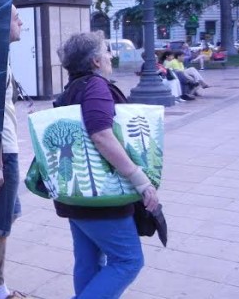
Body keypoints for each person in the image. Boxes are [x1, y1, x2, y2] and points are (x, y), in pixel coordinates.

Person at [54, 31, 160, 298]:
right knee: (128, 260)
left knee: (88, 261)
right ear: (95, 61)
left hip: (77, 193)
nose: (110, 55)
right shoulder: (96, 86)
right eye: (105, 51)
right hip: (103, 195)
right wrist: (139, 179)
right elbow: (101, 135)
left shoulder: (72, 89)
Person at [0, 5, 26, 299]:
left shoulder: (2, 56)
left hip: (8, 150)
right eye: (15, 17)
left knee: (11, 213)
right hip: (4, 153)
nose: (20, 22)